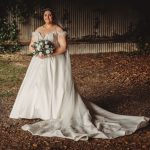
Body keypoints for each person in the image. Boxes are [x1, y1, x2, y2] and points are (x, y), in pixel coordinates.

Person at [9, 8, 150, 141]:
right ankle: (39, 109)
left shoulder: (58, 29)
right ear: (43, 17)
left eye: (50, 15)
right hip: (39, 62)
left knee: (55, 84)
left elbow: (63, 48)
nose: (48, 17)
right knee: (39, 85)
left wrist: (49, 52)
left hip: (54, 62)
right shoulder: (38, 29)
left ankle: (54, 111)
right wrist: (38, 52)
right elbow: (31, 46)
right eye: (45, 15)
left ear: (53, 16)